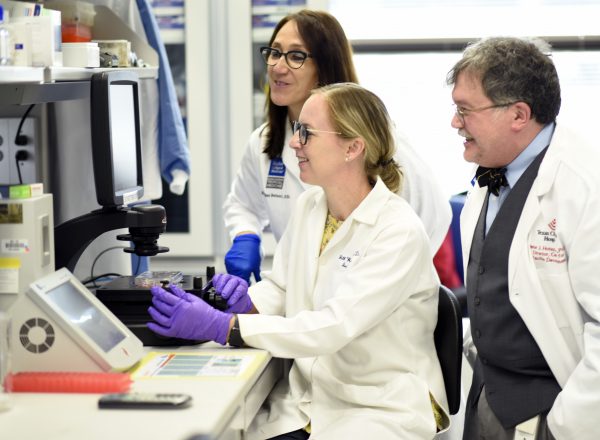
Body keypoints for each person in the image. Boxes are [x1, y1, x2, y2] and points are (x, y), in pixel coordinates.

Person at [147, 83, 449, 439]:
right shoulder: (311, 205)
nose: (294, 143)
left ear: (353, 147)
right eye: (296, 130)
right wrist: (249, 302)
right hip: (311, 395)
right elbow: (283, 285)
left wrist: (226, 327)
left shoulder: (397, 231)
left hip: (379, 404)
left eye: (307, 133)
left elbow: (334, 326)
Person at [223, 9, 451, 284]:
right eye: (274, 52)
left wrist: (395, 269)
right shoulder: (265, 141)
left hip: (375, 296)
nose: (277, 67)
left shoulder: (375, 137)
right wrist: (245, 235)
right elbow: (242, 203)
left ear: (325, 66)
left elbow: (433, 212)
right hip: (306, 296)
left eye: (296, 56)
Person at [448, 36, 600, 440]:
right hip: (485, 395)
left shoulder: (585, 187)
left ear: (518, 114)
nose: (455, 122)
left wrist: (566, 425)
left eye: (465, 110)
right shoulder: (491, 170)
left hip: (555, 412)